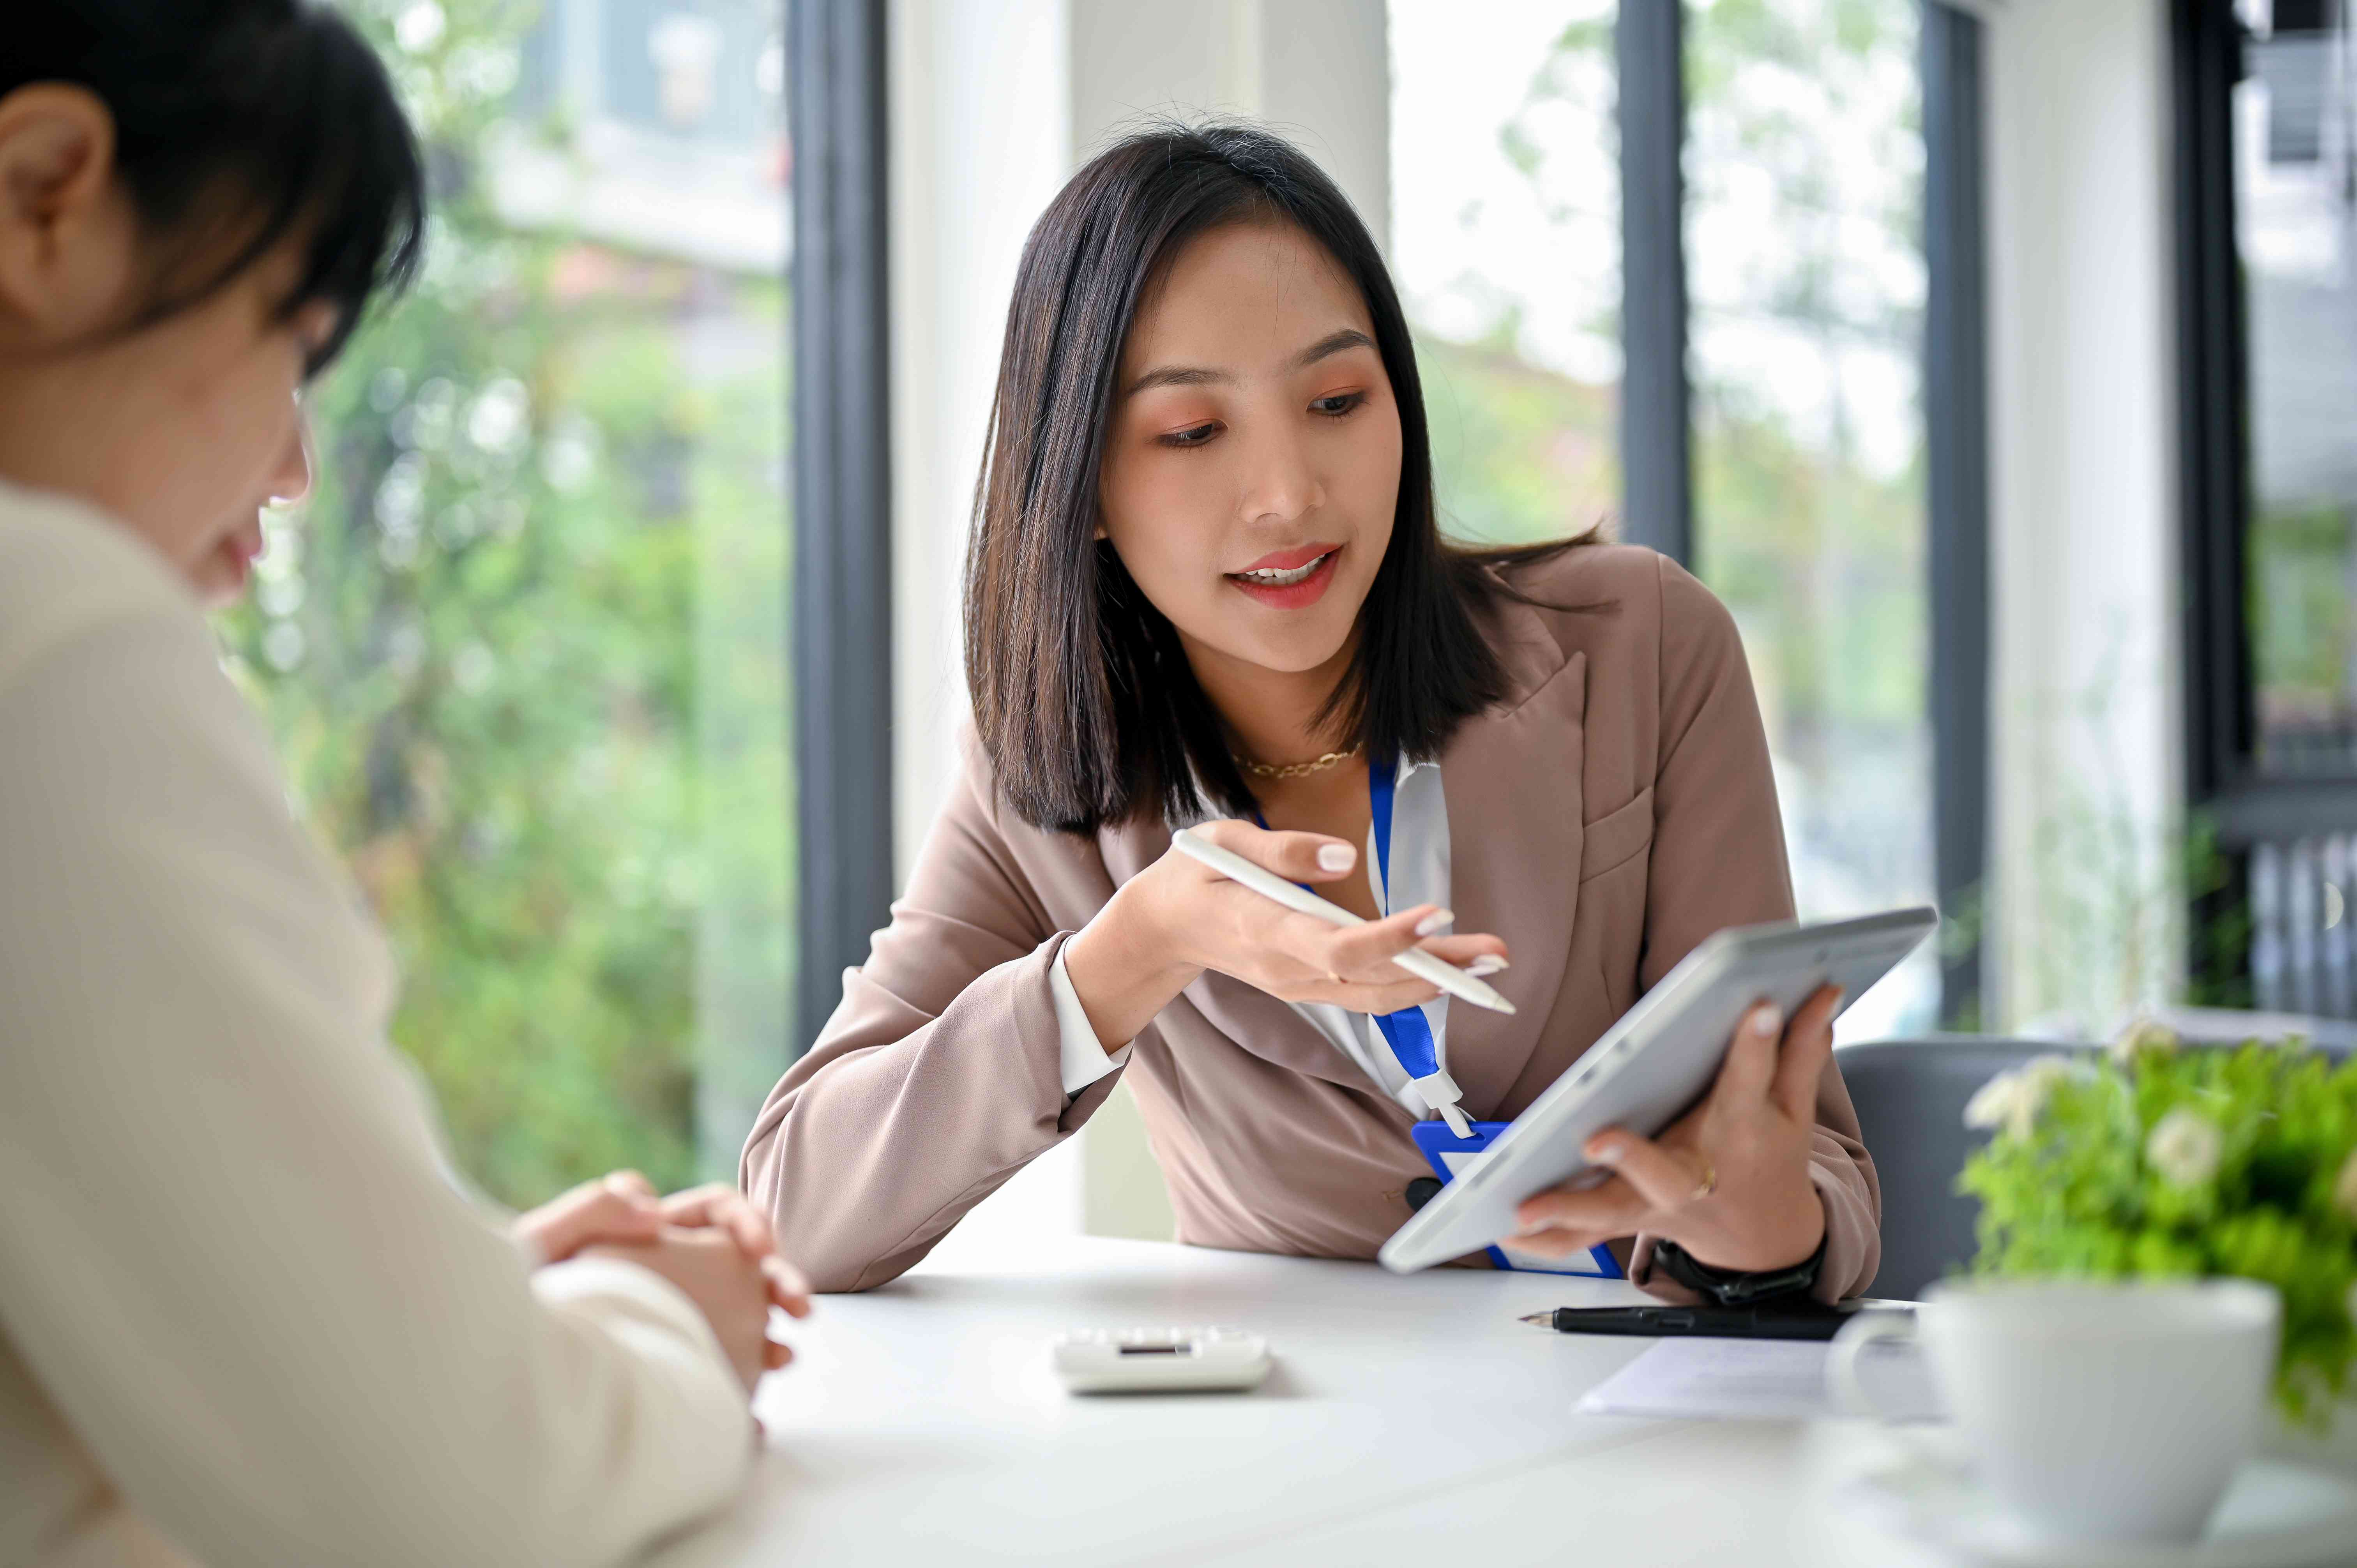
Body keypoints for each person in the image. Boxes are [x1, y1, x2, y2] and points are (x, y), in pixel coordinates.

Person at [742, 123, 1880, 1303]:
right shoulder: (1048, 776)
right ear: (1077, 484)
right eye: (1191, 431)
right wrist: (1136, 951)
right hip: (1313, 1450)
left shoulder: (1644, 647)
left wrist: (1764, 1236)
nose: (1290, 496)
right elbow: (797, 1207)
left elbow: (1816, 1165)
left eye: (1338, 399)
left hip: (1654, 1433)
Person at [0, 5, 808, 1564]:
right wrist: (650, 1322)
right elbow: (460, 1499)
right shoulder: (43, 636)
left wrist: (420, 1303)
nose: (292, 467)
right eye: (288, 342)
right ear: (43, 198)